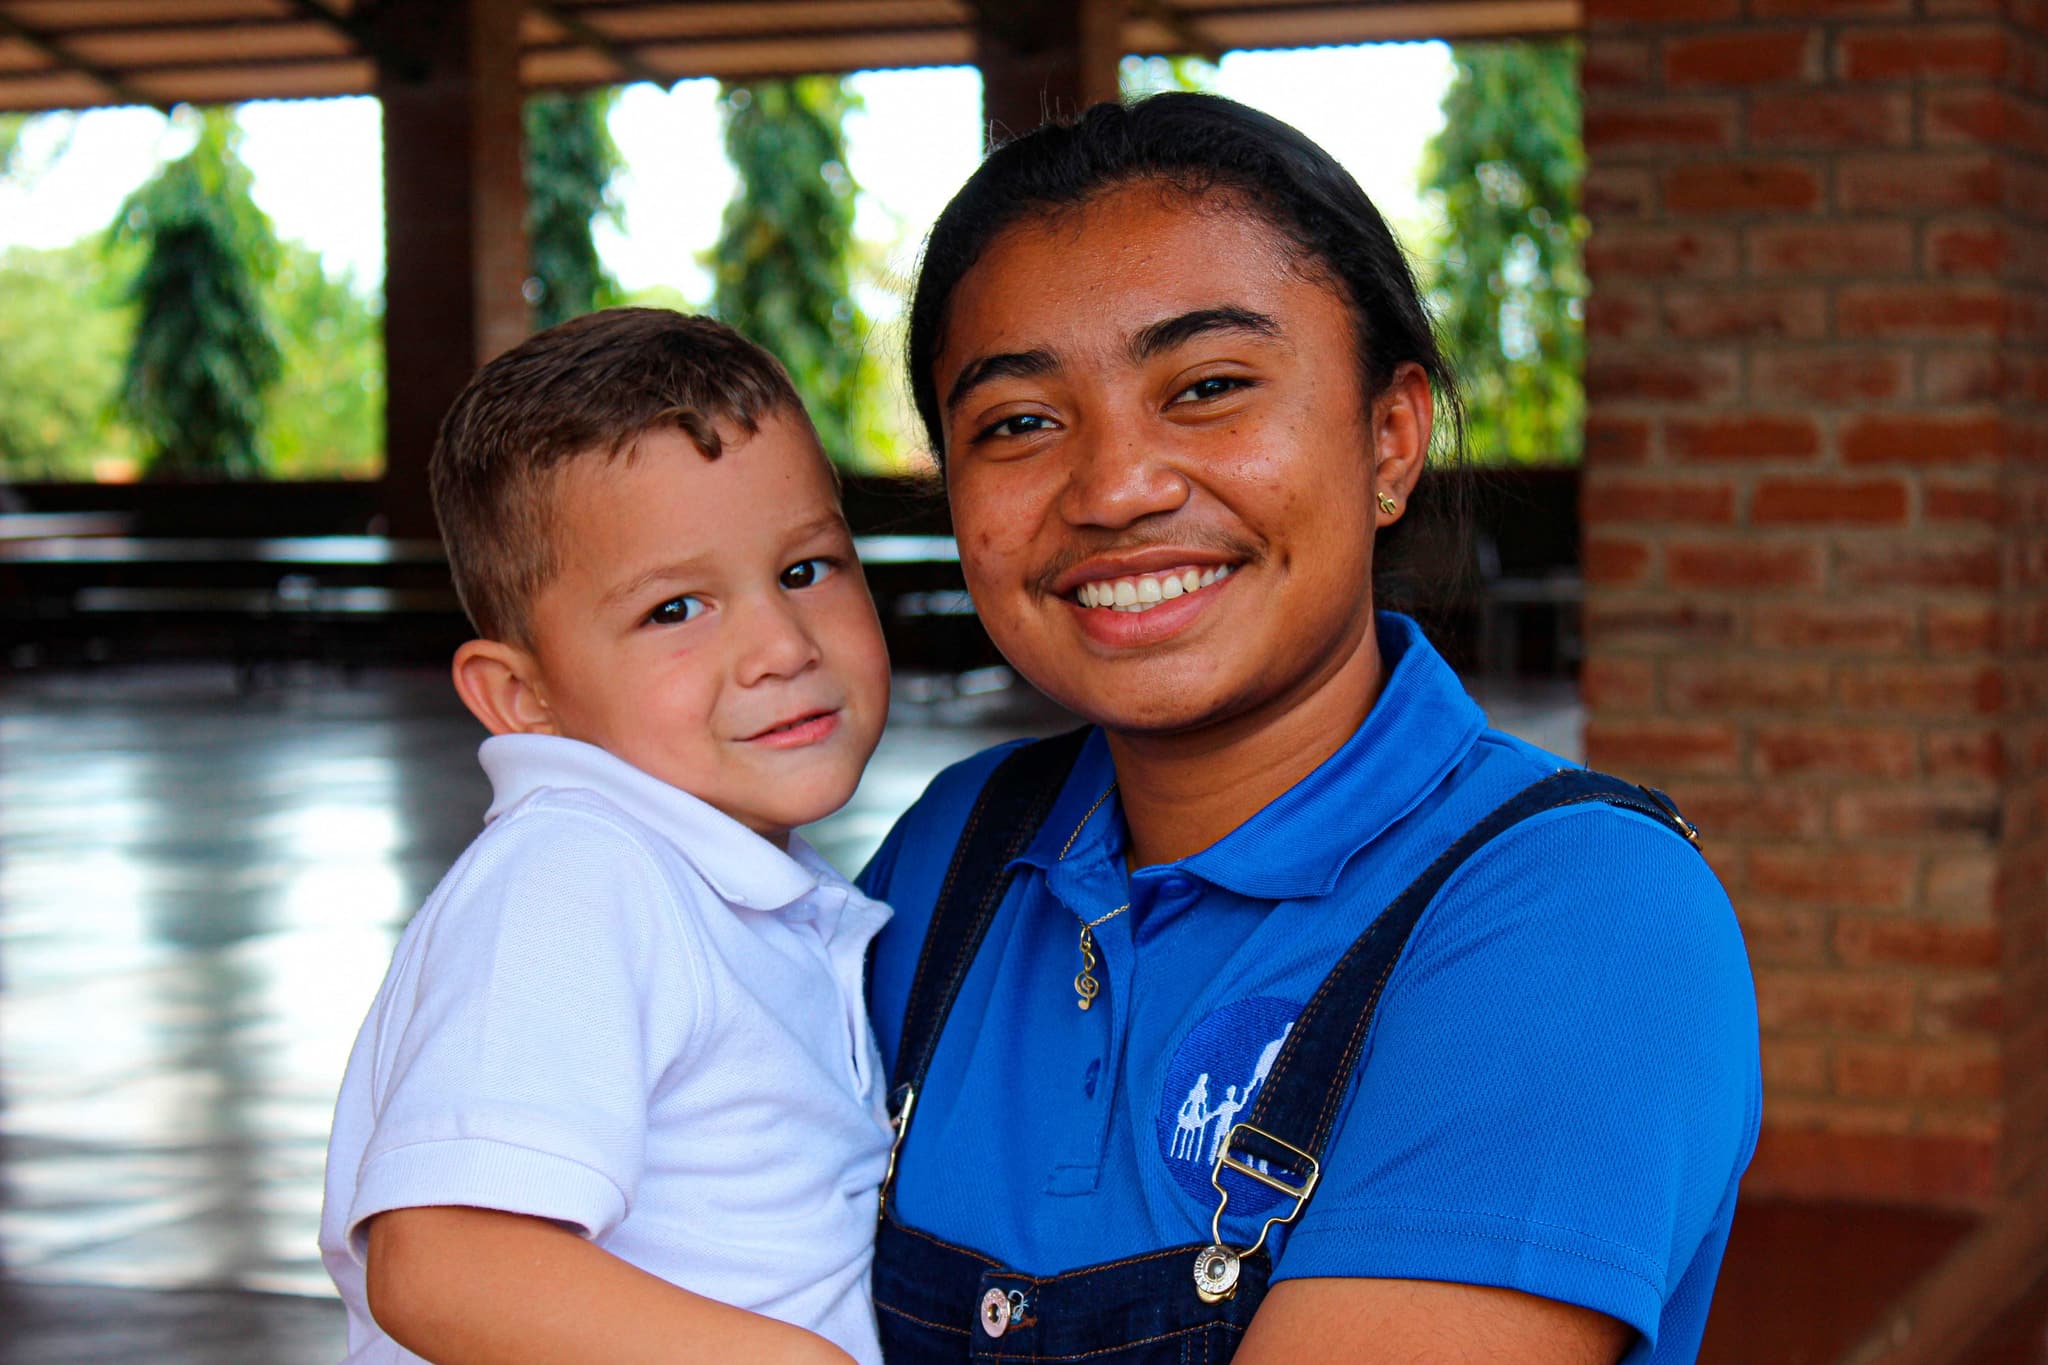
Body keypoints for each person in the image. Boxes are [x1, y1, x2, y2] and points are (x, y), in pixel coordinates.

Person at [859, 94, 1760, 1365]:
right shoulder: (952, 851)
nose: (1114, 487)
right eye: (1017, 421)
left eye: (1209, 387)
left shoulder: (1579, 915)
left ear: (1388, 437)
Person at [319, 308, 893, 1365]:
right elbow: (444, 1260)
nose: (779, 645)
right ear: (521, 696)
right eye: (676, 609)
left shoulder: (716, 875)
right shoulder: (574, 876)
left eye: (807, 569)